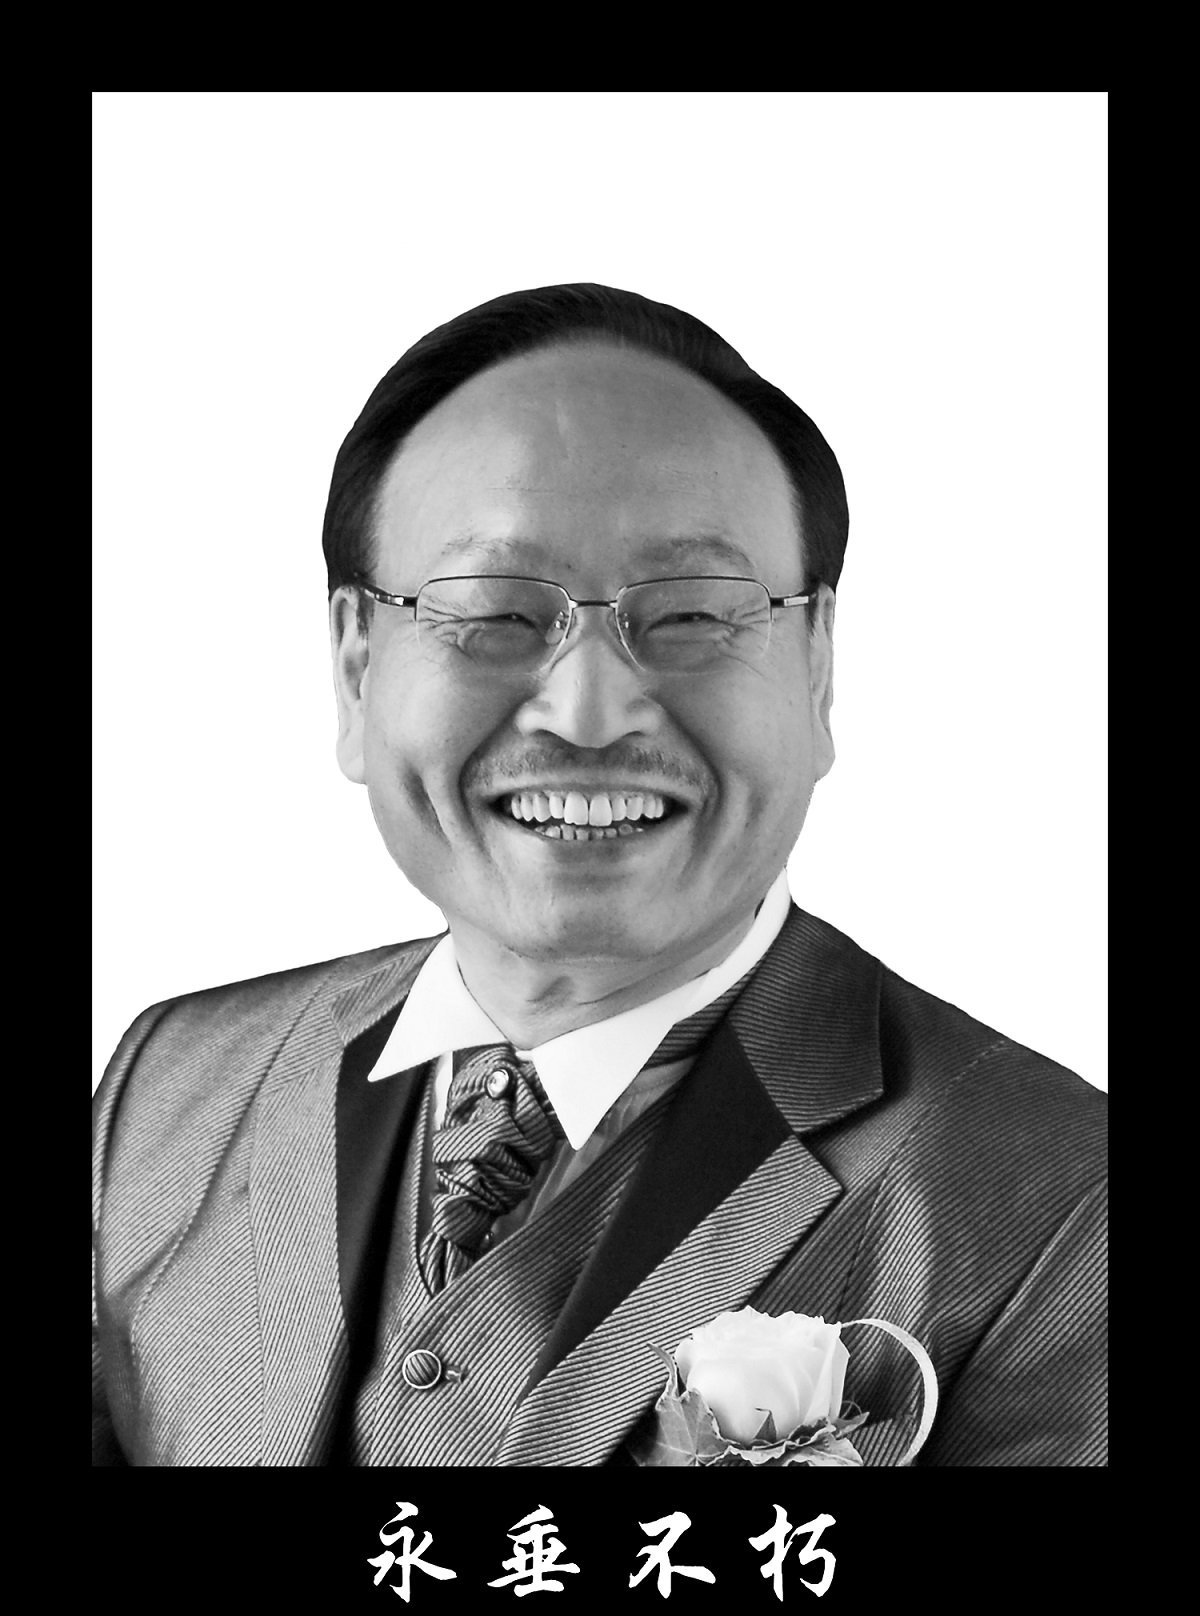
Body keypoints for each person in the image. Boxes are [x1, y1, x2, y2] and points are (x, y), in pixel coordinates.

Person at [92, 282, 1106, 1468]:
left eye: (691, 615)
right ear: (357, 667)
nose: (586, 711)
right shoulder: (169, 1085)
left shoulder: (1053, 1198)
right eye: (492, 613)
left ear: (818, 663)